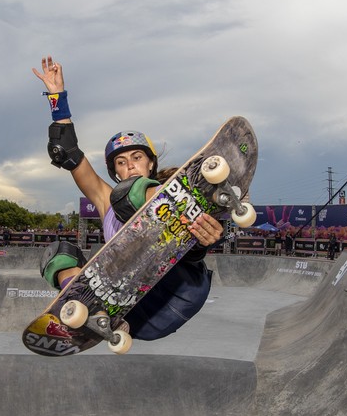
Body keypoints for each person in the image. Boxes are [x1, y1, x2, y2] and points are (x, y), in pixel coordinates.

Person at [31, 55, 224, 341]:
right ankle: (89, 310)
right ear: (115, 171)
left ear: (150, 165)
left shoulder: (154, 188)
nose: (129, 165)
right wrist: (57, 99)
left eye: (136, 158)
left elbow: (208, 239)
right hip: (140, 314)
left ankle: (184, 217)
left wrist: (210, 235)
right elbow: (68, 153)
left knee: (134, 198)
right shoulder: (107, 199)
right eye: (120, 162)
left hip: (180, 289)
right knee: (56, 254)